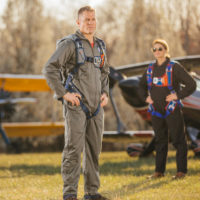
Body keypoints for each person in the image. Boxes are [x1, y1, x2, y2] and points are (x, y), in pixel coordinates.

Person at [43, 6, 110, 200]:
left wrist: (105, 92)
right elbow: (49, 69)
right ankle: (70, 193)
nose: (90, 22)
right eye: (86, 19)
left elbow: (104, 72)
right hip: (76, 105)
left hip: (96, 106)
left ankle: (91, 192)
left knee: (94, 149)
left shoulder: (100, 45)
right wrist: (64, 94)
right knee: (73, 148)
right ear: (78, 22)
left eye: (93, 19)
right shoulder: (69, 44)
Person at [139, 39, 196, 179]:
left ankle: (181, 172)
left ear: (166, 50)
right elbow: (140, 86)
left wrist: (177, 95)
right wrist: (145, 98)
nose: (157, 52)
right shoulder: (150, 69)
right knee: (160, 140)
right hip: (155, 110)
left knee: (178, 140)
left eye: (160, 49)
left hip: (172, 109)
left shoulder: (174, 67)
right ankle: (159, 172)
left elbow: (191, 84)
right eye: (155, 49)